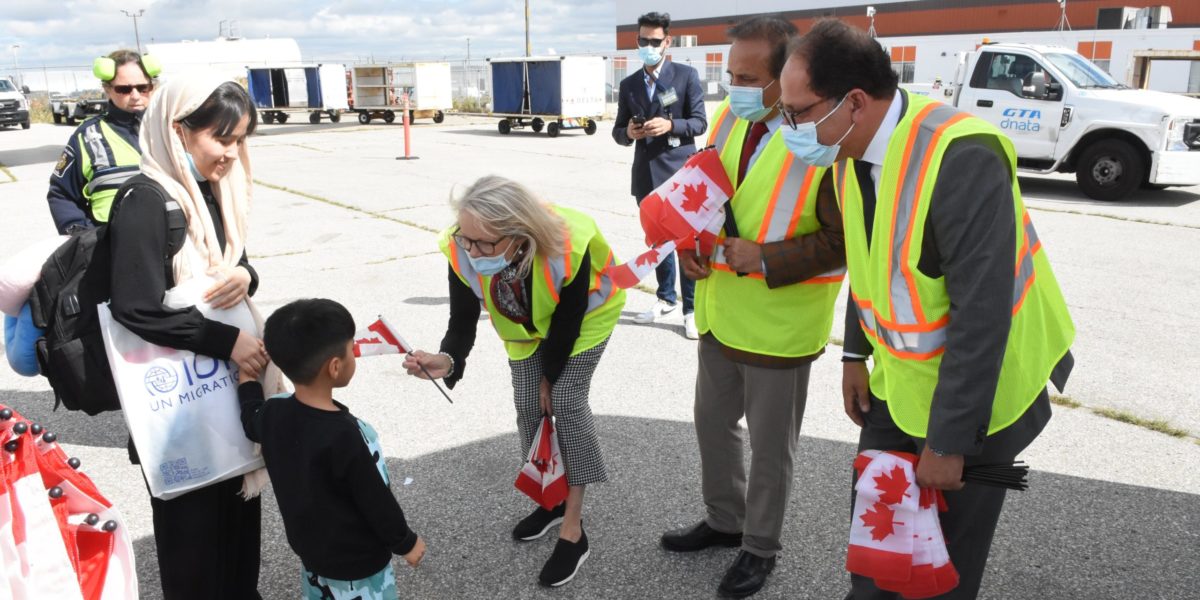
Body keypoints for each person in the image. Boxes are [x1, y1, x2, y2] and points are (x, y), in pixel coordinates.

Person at [777, 20, 1075, 599]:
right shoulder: (845, 150)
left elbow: (982, 313)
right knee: (881, 532)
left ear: (855, 102)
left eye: (798, 111)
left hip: (979, 400)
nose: (790, 128)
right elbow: (870, 264)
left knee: (940, 571)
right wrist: (855, 356)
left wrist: (950, 441)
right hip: (900, 385)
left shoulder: (961, 155)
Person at [663, 16, 847, 599]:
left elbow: (843, 241)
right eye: (730, 72)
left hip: (781, 326)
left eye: (749, 77)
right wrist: (690, 243)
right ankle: (724, 521)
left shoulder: (820, 139)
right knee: (712, 424)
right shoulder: (729, 117)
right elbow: (708, 191)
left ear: (786, 77)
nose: (734, 86)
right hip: (721, 310)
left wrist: (763, 257)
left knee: (771, 450)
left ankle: (759, 548)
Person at [402, 175, 625, 587]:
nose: (473, 251)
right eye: (467, 239)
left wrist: (549, 379)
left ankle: (573, 531)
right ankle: (550, 499)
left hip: (585, 321)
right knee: (527, 408)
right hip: (526, 329)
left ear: (520, 234)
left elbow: (568, 320)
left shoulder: (566, 243)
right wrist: (448, 359)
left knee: (565, 403)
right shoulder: (462, 246)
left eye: (485, 243)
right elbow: (462, 319)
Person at [107, 75, 271, 599]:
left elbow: (234, 266)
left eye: (240, 139)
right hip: (178, 405)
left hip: (228, 396)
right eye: (221, 138)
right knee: (194, 551)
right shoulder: (145, 200)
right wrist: (228, 343)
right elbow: (134, 306)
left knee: (240, 535)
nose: (231, 152)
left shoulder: (211, 191)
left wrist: (246, 277)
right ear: (178, 131)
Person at [238, 299, 426, 600]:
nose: (354, 354)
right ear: (335, 367)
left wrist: (247, 383)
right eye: (351, 349)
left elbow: (250, 419)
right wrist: (406, 542)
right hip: (361, 565)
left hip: (313, 557)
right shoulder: (345, 435)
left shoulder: (273, 413)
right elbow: (375, 499)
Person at [612, 11, 707, 338]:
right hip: (646, 177)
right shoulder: (629, 84)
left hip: (681, 176)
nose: (648, 46)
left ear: (667, 41)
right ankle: (665, 297)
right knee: (658, 242)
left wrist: (670, 125)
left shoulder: (685, 76)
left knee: (685, 243)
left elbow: (699, 123)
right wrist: (630, 133)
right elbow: (617, 131)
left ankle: (690, 308)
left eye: (655, 41)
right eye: (643, 41)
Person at [47, 49, 158, 234]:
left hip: (170, 247)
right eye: (124, 89)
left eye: (143, 87)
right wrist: (80, 236)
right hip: (110, 250)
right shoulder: (87, 135)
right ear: (107, 90)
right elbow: (61, 193)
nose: (136, 95)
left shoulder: (173, 129)